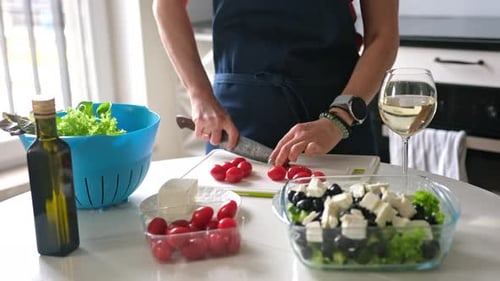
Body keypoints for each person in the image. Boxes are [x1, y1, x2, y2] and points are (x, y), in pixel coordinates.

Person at [152, 0, 399, 166]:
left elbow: (383, 35)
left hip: (336, 125)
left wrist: (338, 119)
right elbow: (166, 5)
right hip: (237, 124)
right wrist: (199, 94)